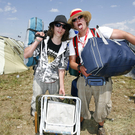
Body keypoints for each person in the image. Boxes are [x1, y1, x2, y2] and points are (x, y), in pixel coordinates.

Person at [67, 8, 135, 135]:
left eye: (80, 17)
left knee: (102, 104)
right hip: (84, 78)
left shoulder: (99, 31)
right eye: (74, 20)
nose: (78, 20)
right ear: (74, 25)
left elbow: (125, 35)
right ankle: (81, 121)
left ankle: (100, 126)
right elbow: (71, 62)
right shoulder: (73, 41)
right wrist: (79, 67)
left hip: (103, 77)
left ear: (85, 19)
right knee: (82, 103)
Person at [24, 15, 71, 116]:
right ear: (53, 27)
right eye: (58, 25)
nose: (60, 28)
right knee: (36, 104)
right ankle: (37, 119)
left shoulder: (65, 48)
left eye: (64, 27)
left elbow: (61, 68)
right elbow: (26, 54)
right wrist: (37, 40)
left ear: (66, 30)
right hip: (39, 79)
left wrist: (62, 87)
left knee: (56, 103)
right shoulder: (44, 41)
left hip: (54, 80)